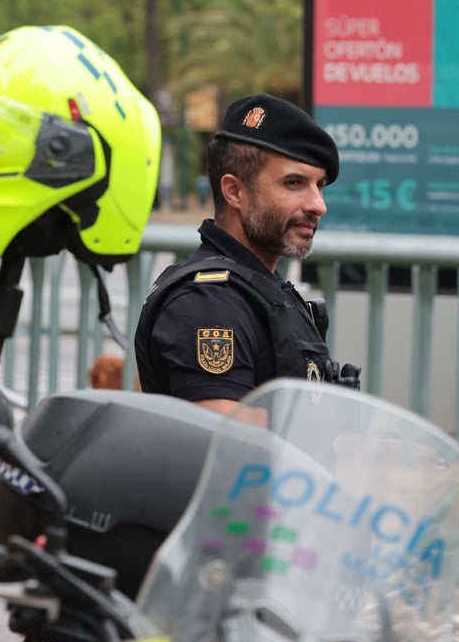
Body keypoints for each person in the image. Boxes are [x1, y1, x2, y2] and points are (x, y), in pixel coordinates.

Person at [134, 93, 358, 413]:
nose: (318, 205)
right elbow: (226, 442)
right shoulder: (208, 302)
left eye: (319, 185)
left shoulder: (259, 289)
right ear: (234, 191)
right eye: (294, 183)